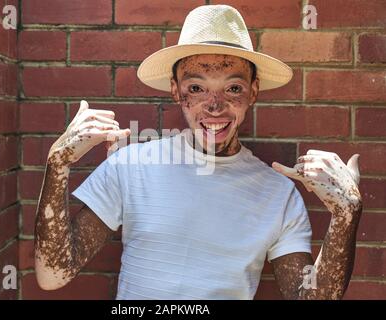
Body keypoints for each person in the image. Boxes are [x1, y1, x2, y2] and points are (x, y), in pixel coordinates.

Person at [34, 5, 363, 300]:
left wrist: (346, 215)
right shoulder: (130, 166)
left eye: (232, 88)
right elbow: (52, 275)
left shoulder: (278, 194)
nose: (215, 106)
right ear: (176, 91)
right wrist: (58, 162)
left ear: (253, 92)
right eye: (197, 88)